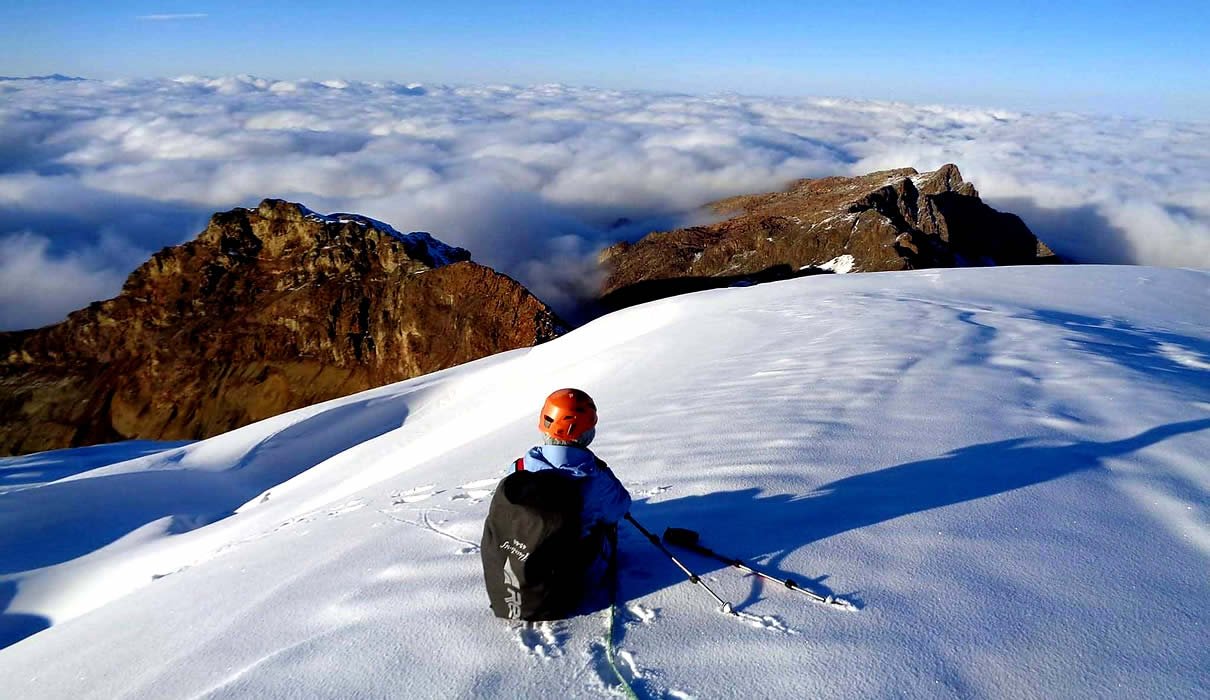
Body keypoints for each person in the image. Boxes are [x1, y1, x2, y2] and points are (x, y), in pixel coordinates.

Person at [481, 388, 632, 620]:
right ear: (585, 432)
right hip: (570, 575)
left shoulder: (519, 468)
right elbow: (620, 508)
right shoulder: (595, 478)